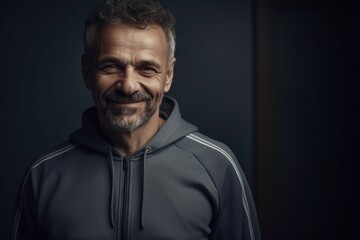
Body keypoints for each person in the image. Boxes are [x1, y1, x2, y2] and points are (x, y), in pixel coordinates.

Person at [11, 0, 261, 239]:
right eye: (111, 66)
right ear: (87, 72)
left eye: (147, 68)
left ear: (168, 75)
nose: (128, 86)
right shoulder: (43, 175)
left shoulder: (217, 167)